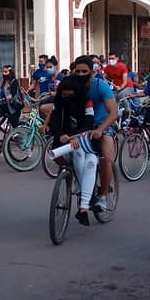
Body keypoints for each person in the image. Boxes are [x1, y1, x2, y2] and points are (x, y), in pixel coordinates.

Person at [50, 55, 117, 211]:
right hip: (76, 129)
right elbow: (58, 104)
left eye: (84, 71)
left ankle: (103, 196)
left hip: (100, 127)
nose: (80, 74)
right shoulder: (70, 84)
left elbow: (113, 112)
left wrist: (100, 130)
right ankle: (72, 172)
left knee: (105, 158)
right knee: (55, 151)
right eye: (77, 71)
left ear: (92, 72)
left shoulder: (101, 86)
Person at [48, 75, 104, 226]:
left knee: (91, 163)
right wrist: (61, 135)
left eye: (69, 94)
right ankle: (86, 195)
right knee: (78, 154)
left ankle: (83, 208)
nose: (66, 96)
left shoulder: (87, 102)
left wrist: (76, 136)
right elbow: (54, 121)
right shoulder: (59, 103)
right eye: (63, 94)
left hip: (86, 140)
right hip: (66, 141)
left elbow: (88, 122)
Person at [0, 65, 23, 130]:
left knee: (13, 129)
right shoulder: (1, 82)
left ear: (10, 72)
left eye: (5, 72)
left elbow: (14, 91)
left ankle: (21, 136)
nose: (3, 73)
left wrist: (11, 96)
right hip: (3, 108)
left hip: (13, 108)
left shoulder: (14, 81)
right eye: (3, 72)